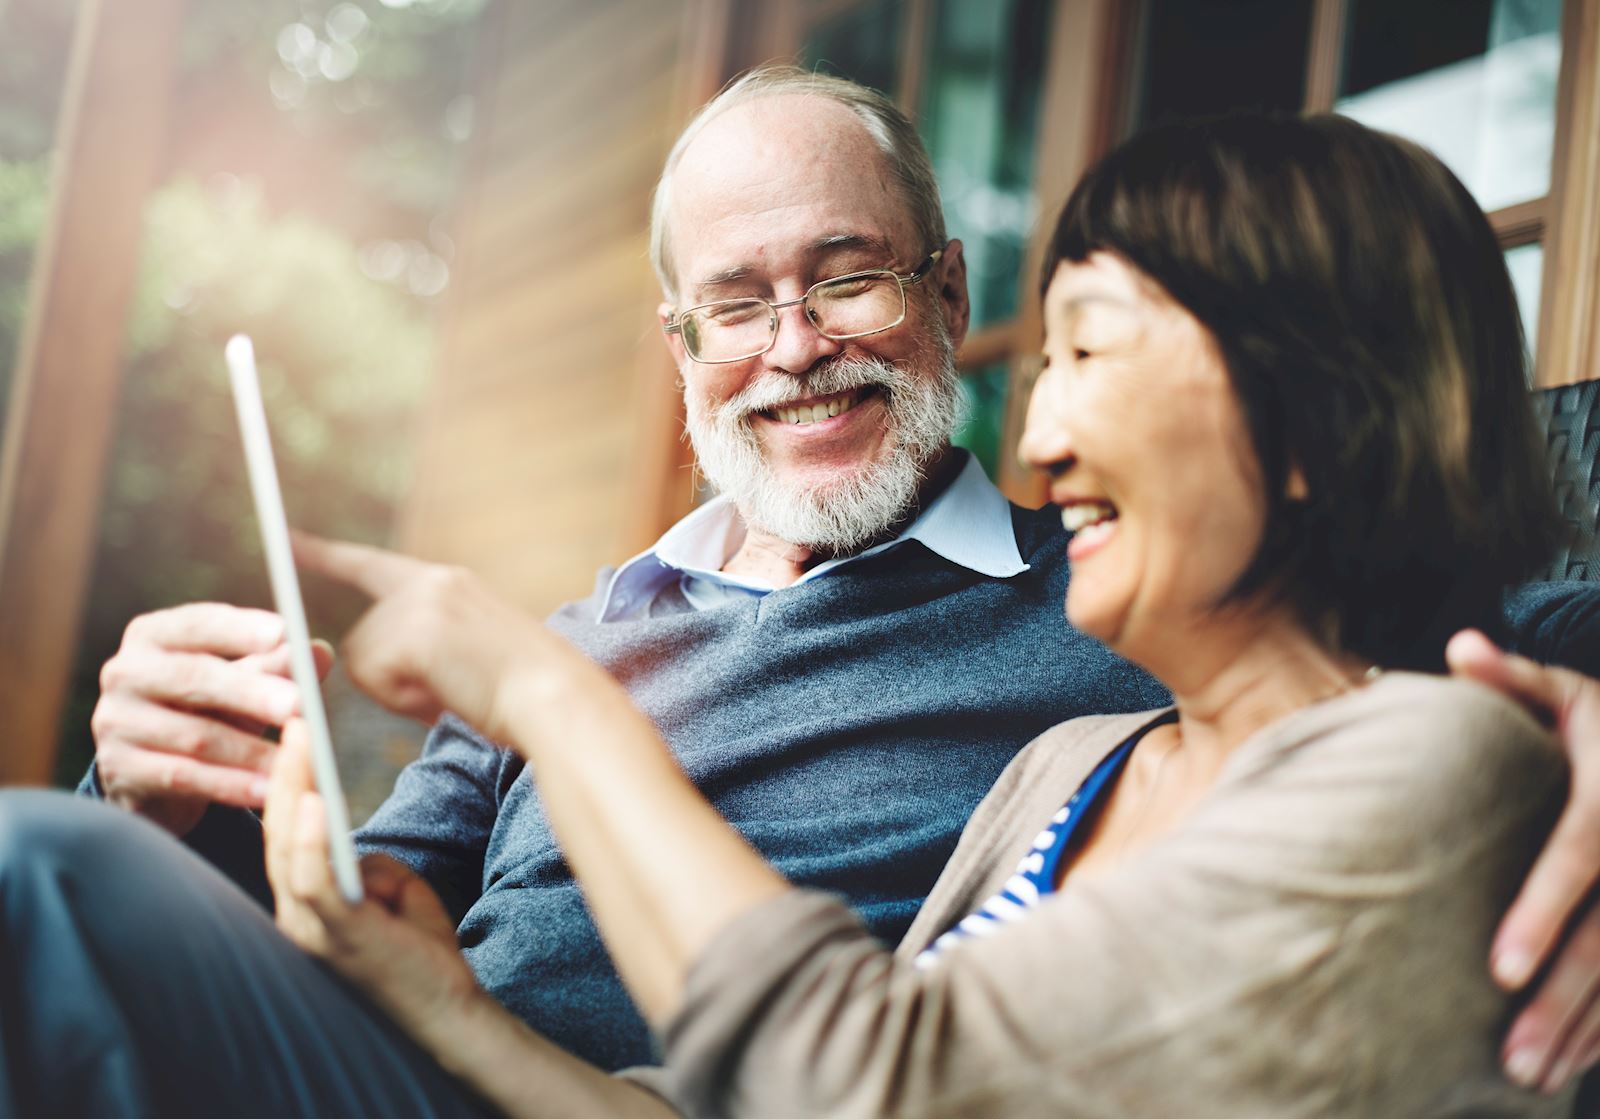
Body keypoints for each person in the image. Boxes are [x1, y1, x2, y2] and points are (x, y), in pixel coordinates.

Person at [0, 67, 1594, 1114]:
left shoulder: (1129, 605)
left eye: (844, 276)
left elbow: (1451, 628)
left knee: (28, 874)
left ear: (944, 292)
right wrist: (159, 797)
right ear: (681, 351)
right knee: (62, 863)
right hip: (421, 1077)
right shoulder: (577, 632)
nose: (795, 345)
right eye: (736, 304)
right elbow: (341, 935)